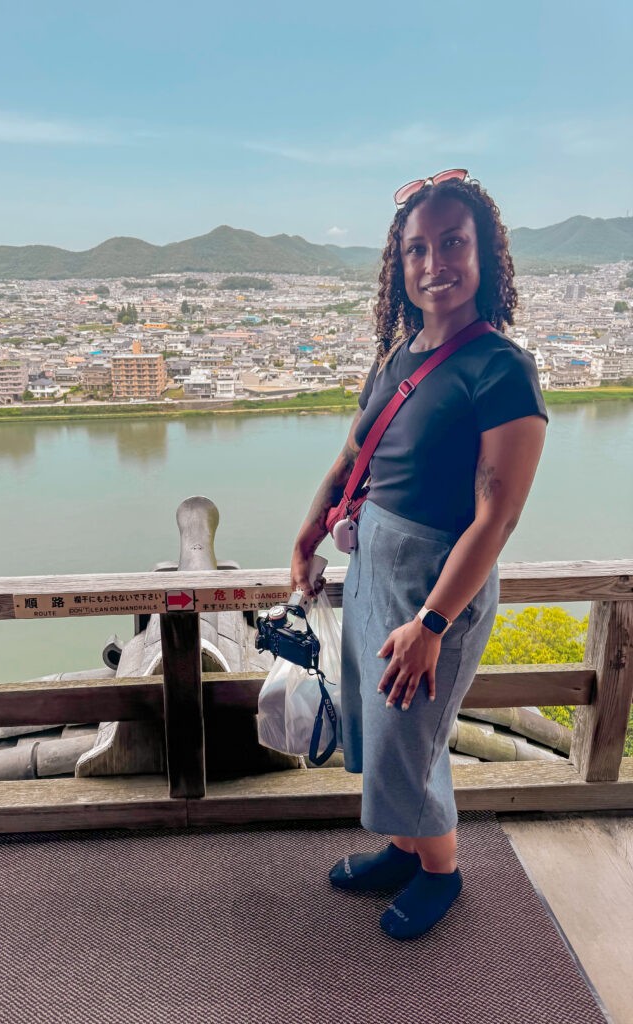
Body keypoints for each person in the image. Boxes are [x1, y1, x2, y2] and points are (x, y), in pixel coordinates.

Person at [290, 170, 548, 941]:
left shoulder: (502, 370)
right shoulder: (398, 355)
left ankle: (442, 872)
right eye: (417, 249)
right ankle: (403, 849)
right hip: (373, 570)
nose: (434, 262)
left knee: (415, 737)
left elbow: (497, 518)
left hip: (439, 585)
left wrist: (434, 622)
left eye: (452, 243)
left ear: (485, 256)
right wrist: (307, 535)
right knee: (379, 726)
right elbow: (352, 453)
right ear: (398, 266)